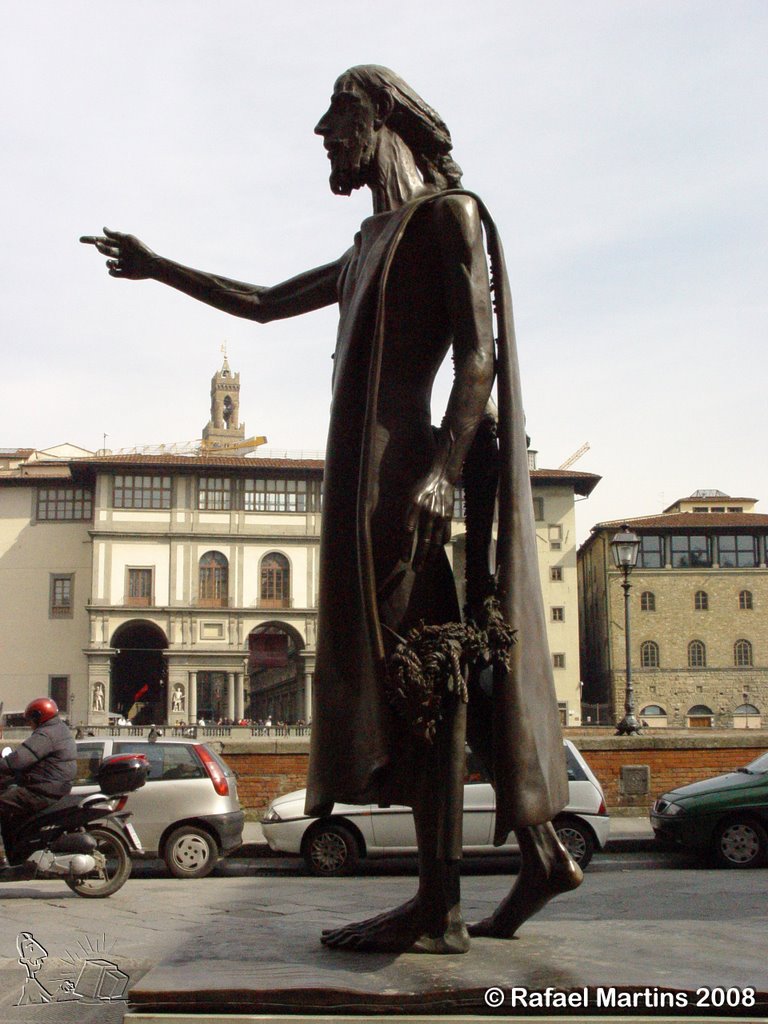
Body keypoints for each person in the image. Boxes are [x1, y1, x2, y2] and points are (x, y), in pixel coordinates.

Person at [81, 65, 580, 952]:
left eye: (336, 116)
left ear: (379, 116)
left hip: (401, 488)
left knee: (421, 682)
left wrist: (443, 471)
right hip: (363, 490)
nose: (323, 132)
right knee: (436, 668)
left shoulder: (446, 218)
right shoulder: (368, 244)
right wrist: (160, 268)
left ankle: (439, 907)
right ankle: (535, 852)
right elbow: (268, 305)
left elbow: (479, 360)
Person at [0, 698, 77, 869]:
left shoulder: (46, 734)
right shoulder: (59, 729)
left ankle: (3, 857)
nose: (29, 724)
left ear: (38, 716)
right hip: (52, 788)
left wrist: (5, 764)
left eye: (30, 719)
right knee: (10, 812)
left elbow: (20, 759)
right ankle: (17, 854)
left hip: (43, 790)